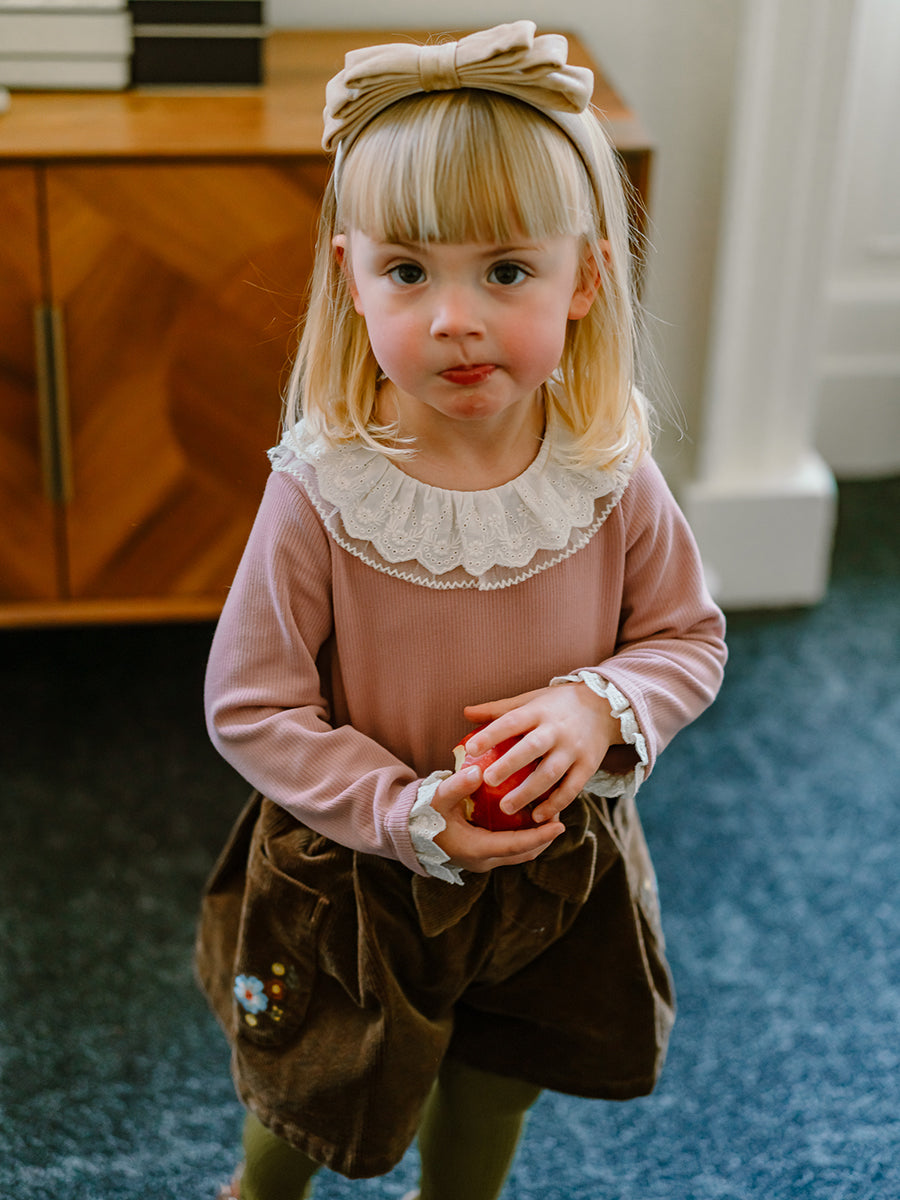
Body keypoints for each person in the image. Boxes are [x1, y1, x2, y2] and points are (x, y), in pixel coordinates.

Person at [196, 20, 727, 1200]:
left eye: (505, 271)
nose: (454, 318)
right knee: (311, 1085)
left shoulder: (608, 467)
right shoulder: (325, 486)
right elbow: (251, 704)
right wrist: (400, 810)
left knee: (498, 1080)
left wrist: (598, 708)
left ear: (584, 278)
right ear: (350, 276)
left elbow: (686, 639)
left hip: (552, 868)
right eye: (408, 272)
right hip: (359, 868)